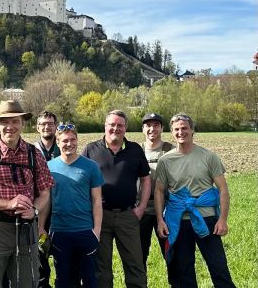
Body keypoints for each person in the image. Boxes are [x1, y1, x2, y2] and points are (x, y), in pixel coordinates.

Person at [0, 100, 54, 288]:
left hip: (26, 229)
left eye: (15, 121)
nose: (10, 127)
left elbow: (45, 191)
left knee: (27, 282)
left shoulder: (33, 154)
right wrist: (8, 204)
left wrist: (34, 210)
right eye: (5, 122)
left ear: (23, 124)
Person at [155, 113, 236, 288]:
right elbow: (159, 191)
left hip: (207, 219)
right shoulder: (165, 160)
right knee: (184, 271)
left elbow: (223, 189)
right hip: (179, 222)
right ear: (172, 132)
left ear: (192, 130)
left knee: (218, 267)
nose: (180, 132)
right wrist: (160, 220)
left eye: (184, 128)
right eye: (176, 129)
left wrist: (222, 219)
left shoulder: (209, 157)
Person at [81, 109, 150, 288]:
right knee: (101, 268)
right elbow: (80, 179)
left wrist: (142, 206)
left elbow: (146, 179)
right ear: (105, 126)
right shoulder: (91, 149)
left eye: (120, 125)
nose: (115, 129)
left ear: (125, 128)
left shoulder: (135, 150)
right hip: (99, 216)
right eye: (112, 125)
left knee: (135, 264)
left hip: (128, 216)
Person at [46, 123, 103, 287]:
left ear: (77, 140)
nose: (69, 144)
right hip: (59, 232)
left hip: (85, 231)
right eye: (64, 140)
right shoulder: (49, 167)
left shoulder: (90, 166)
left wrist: (96, 231)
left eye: (72, 139)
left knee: (89, 278)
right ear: (57, 142)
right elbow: (46, 200)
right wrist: (42, 227)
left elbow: (97, 200)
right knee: (63, 279)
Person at [137, 113, 173, 270]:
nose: (152, 129)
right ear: (143, 129)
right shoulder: (136, 151)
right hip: (141, 210)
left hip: (166, 211)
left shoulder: (171, 150)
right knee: (138, 256)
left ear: (162, 128)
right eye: (148, 125)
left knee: (172, 255)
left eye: (156, 125)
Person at [33, 111, 60, 288]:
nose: (46, 127)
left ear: (56, 127)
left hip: (60, 212)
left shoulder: (64, 148)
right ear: (37, 127)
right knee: (40, 258)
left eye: (50, 123)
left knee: (62, 258)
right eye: (43, 124)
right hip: (39, 212)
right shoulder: (31, 151)